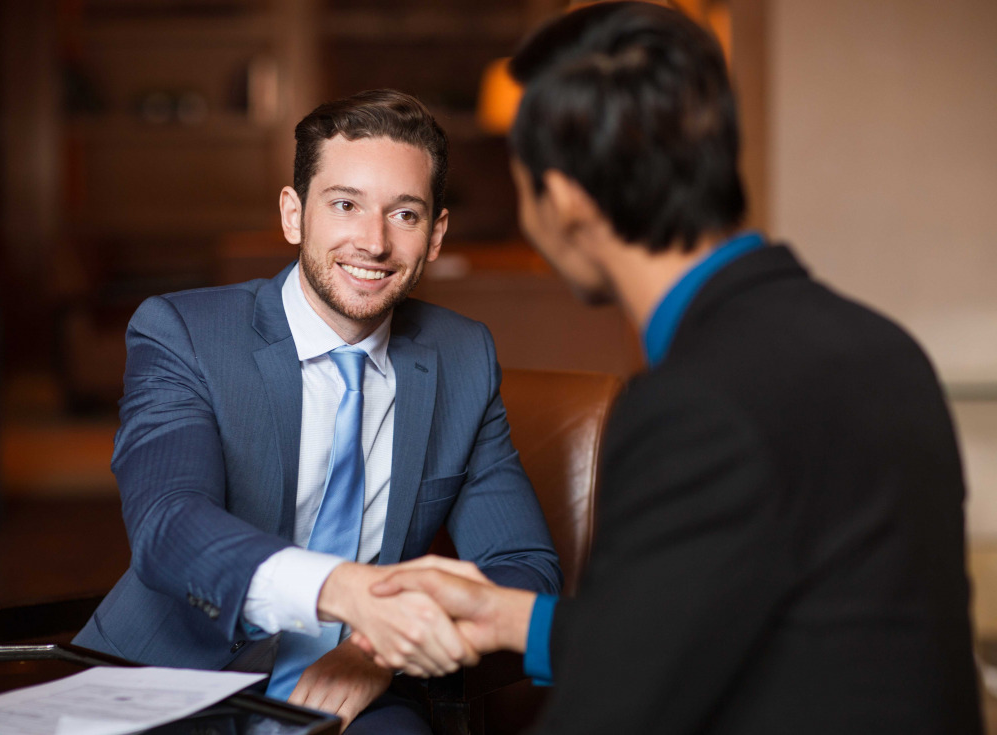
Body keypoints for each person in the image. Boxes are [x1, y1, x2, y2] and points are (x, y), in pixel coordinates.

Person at [355, 4, 984, 734]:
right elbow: (743, 633)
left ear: (565, 199)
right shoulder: (883, 346)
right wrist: (515, 619)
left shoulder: (697, 403)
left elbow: (617, 710)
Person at [72, 89, 561, 734]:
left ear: (436, 235)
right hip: (171, 681)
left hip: (356, 693)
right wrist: (346, 591)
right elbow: (169, 526)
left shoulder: (465, 356)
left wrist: (376, 650)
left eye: (404, 214)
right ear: (294, 214)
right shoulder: (184, 333)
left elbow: (525, 567)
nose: (374, 242)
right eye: (345, 204)